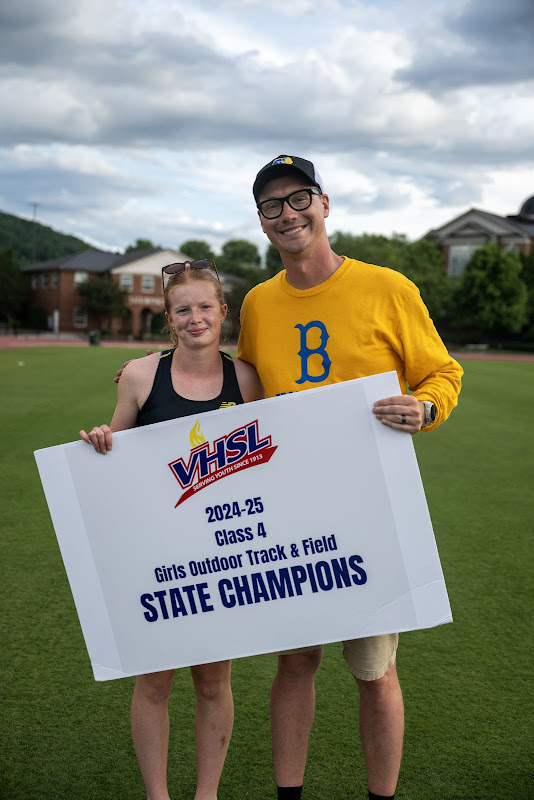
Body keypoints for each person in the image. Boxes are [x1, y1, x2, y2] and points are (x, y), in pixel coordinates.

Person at [235, 155, 463, 800]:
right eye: (271, 206)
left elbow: (441, 373)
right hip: (290, 509)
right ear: (262, 222)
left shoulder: (387, 287)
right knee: (296, 660)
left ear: (325, 204)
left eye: (298, 197)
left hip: (371, 508)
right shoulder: (257, 303)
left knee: (373, 668)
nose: (287, 214)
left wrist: (426, 407)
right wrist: (154, 383)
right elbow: (243, 392)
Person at [82, 261, 263, 800]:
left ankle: (206, 795)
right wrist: (99, 438)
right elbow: (112, 447)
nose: (195, 318)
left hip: (223, 556)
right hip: (156, 555)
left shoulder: (247, 379)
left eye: (205, 306)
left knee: (213, 681)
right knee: (154, 681)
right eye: (182, 309)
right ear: (169, 318)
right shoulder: (141, 375)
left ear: (223, 312)